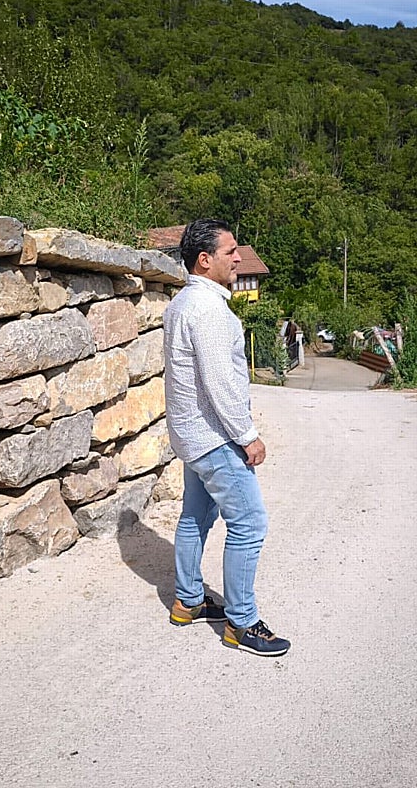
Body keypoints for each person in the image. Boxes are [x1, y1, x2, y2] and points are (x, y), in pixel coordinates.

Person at [162, 217, 291, 657]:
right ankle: (241, 622)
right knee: (250, 524)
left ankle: (188, 600)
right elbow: (221, 384)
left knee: (195, 516)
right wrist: (247, 436)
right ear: (205, 260)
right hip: (216, 439)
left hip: (190, 435)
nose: (238, 258)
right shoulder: (209, 311)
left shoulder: (181, 304)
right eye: (230, 251)